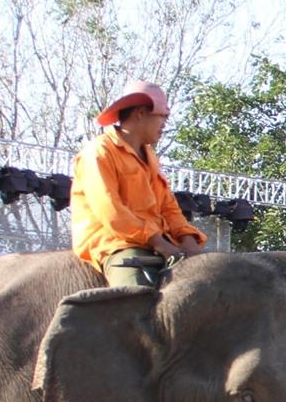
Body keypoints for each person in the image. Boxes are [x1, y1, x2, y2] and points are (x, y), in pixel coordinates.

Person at [69, 79, 206, 288]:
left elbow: (168, 207)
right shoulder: (98, 153)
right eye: (163, 117)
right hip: (117, 244)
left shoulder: (149, 156)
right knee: (135, 296)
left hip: (157, 243)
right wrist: (158, 243)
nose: (164, 125)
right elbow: (111, 211)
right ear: (141, 113)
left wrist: (187, 238)